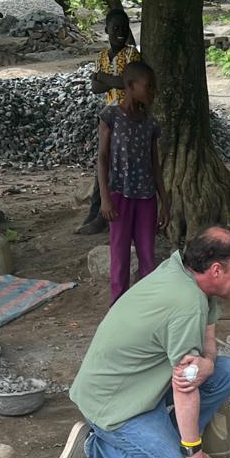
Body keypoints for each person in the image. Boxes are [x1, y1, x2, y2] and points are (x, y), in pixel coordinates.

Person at [57, 226, 230, 458]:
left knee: (227, 372)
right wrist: (194, 454)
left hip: (143, 390)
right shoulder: (186, 303)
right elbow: (185, 386)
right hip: (115, 406)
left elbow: (208, 337)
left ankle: (170, 440)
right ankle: (94, 449)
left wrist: (210, 363)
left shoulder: (184, 270)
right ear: (216, 270)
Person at [98, 60, 169, 304]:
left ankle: (148, 307)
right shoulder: (111, 116)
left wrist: (164, 202)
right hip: (119, 197)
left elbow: (155, 165)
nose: (152, 92)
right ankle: (118, 308)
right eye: (148, 87)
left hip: (146, 197)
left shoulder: (150, 123)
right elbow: (102, 158)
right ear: (130, 86)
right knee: (119, 258)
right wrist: (105, 197)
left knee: (148, 256)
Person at [77, 7, 140, 235]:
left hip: (129, 115)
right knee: (103, 163)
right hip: (108, 116)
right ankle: (97, 212)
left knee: (114, 165)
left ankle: (103, 216)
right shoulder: (102, 56)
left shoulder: (133, 54)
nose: (120, 32)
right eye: (115, 28)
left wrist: (104, 78)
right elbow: (95, 88)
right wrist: (113, 80)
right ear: (106, 30)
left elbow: (129, 83)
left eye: (123, 28)